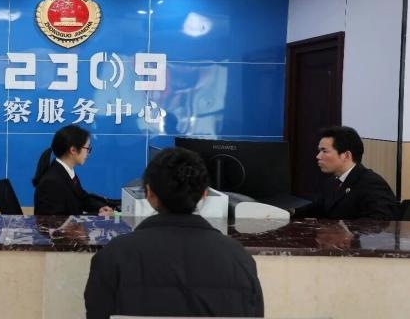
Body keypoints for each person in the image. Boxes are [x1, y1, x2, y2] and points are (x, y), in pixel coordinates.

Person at [84, 147, 264, 318]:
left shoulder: (113, 255)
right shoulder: (238, 258)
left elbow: (97, 313)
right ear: (204, 194)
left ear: (149, 193)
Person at [293, 126, 399, 220]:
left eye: (324, 151)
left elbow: (381, 220)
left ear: (346, 155)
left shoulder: (371, 183)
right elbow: (318, 208)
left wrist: (344, 231)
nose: (318, 156)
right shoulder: (332, 182)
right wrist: (290, 213)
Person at [32, 125, 114, 216]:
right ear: (73, 150)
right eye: (87, 148)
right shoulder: (51, 182)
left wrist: (99, 208)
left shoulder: (66, 171)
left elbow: (82, 197)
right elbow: (56, 220)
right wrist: (97, 216)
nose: (88, 153)